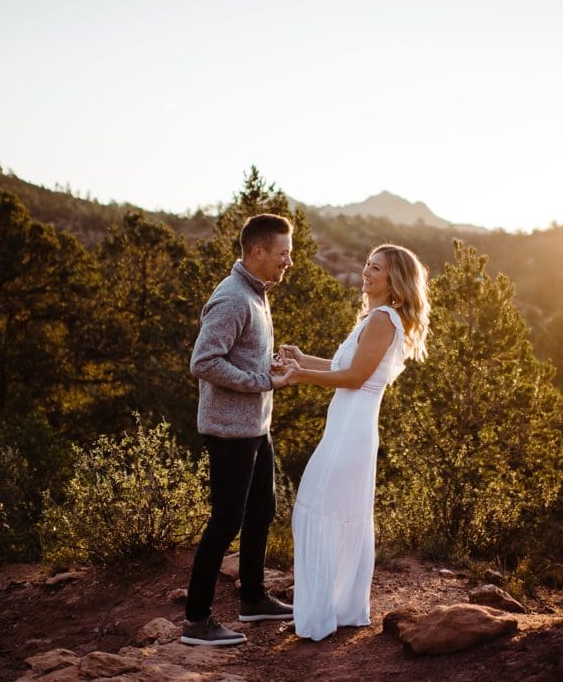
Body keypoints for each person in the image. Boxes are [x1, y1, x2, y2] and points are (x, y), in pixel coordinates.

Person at [279, 243, 430, 642]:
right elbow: (341, 367)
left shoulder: (383, 319)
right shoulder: (373, 319)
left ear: (393, 280)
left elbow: (354, 379)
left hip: (352, 432)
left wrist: (298, 376)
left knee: (321, 510)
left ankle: (323, 615)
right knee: (327, 511)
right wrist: (302, 359)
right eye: (366, 263)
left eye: (375, 268)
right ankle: (330, 610)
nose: (366, 272)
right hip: (346, 427)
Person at [180, 213, 297, 647]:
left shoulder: (258, 294)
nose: (288, 262)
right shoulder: (232, 298)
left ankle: (253, 599)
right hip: (229, 432)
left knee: (261, 511)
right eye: (282, 254)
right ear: (257, 251)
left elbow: (239, 358)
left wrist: (269, 367)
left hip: (254, 427)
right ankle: (196, 621)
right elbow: (204, 362)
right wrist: (264, 381)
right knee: (225, 522)